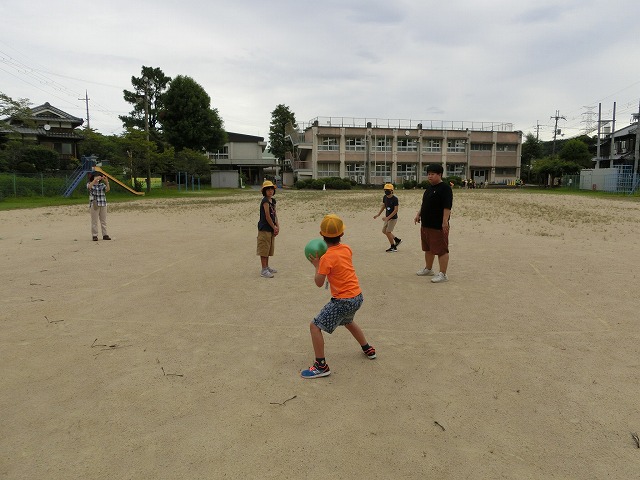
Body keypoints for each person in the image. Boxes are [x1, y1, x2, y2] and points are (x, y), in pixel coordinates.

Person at [301, 214, 376, 379]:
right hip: (357, 296)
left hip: (343, 301)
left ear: (321, 235)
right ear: (342, 234)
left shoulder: (326, 258)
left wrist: (317, 265)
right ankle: (368, 348)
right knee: (348, 321)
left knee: (314, 326)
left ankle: (321, 366)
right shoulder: (347, 249)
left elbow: (319, 282)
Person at [414, 164, 452, 283]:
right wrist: (418, 214)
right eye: (428, 174)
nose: (429, 176)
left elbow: (447, 206)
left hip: (438, 225)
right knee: (428, 248)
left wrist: (445, 221)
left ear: (439, 174)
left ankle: (443, 274)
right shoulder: (429, 188)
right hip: (426, 224)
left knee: (441, 250)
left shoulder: (445, 188)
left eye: (432, 174)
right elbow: (424, 203)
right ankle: (428, 269)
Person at [257, 180, 279, 278]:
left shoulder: (273, 201)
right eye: (268, 189)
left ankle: (267, 267)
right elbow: (267, 216)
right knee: (264, 249)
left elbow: (275, 214)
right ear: (264, 191)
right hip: (265, 228)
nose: (270, 191)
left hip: (271, 228)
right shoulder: (265, 201)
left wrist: (277, 226)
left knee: (269, 248)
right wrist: (274, 227)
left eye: (272, 189)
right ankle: (264, 270)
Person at [373, 183, 402, 252]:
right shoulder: (385, 197)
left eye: (388, 190)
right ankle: (397, 240)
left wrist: (388, 218)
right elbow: (384, 206)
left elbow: (396, 210)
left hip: (393, 218)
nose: (386, 191)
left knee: (388, 232)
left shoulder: (395, 199)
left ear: (392, 190)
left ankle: (393, 247)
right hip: (387, 218)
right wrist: (378, 214)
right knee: (384, 231)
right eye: (385, 190)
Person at [87, 172, 111, 241]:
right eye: (96, 176)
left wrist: (106, 182)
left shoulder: (102, 185)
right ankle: (95, 235)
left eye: (98, 176)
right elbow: (89, 187)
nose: (97, 177)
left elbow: (107, 189)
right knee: (94, 221)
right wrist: (94, 180)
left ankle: (105, 234)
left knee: (103, 221)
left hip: (103, 203)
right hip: (94, 204)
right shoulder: (90, 184)